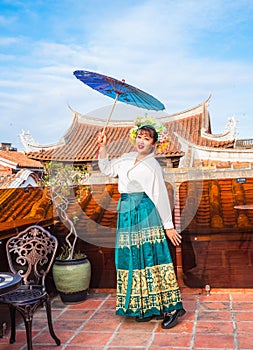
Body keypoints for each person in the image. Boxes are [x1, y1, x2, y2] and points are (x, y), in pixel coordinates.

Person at [97, 117, 186, 329]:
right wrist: (102, 146)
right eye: (139, 137)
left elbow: (159, 195)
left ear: (154, 144)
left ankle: (172, 308)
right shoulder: (126, 158)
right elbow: (108, 169)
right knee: (131, 257)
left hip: (145, 211)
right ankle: (146, 307)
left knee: (151, 255)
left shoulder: (153, 166)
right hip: (127, 212)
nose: (141, 141)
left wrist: (169, 225)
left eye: (146, 139)